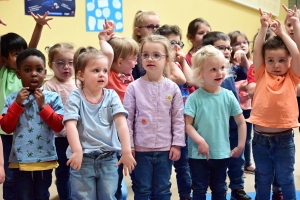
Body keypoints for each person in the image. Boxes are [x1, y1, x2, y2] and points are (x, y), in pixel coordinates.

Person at [63, 46, 136, 200]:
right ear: (81, 75)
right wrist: (77, 151)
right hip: (83, 158)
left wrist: (127, 151)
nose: (102, 74)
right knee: (82, 197)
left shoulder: (111, 96)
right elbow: (70, 125)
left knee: (108, 196)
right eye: (96, 71)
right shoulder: (75, 97)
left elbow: (122, 124)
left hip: (108, 158)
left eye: (104, 70)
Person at [123, 34, 185, 199]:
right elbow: (127, 120)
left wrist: (177, 144)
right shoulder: (133, 87)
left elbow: (178, 118)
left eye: (156, 55)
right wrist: (129, 146)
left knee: (163, 189)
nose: (150, 59)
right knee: (142, 189)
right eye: (145, 55)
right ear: (140, 58)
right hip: (140, 149)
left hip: (165, 149)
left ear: (167, 60)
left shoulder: (172, 88)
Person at [247, 6, 300, 199]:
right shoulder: (261, 74)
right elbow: (258, 51)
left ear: (289, 61)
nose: (276, 65)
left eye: (281, 60)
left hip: (284, 140)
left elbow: (297, 52)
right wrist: (263, 28)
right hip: (260, 139)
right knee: (262, 178)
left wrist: (284, 31)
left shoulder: (292, 77)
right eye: (271, 60)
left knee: (286, 178)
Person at [0, 12, 52, 200]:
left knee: (26, 177)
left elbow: (31, 50)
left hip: (25, 132)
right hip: (6, 133)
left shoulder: (25, 72)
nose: (22, 56)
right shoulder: (4, 72)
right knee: (9, 176)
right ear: (4, 58)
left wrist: (38, 27)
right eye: (16, 54)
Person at [1, 48, 64, 200]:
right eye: (28, 70)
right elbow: (6, 127)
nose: (34, 74)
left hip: (45, 159)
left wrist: (43, 106)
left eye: (39, 69)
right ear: (18, 74)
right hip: (20, 161)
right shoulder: (12, 99)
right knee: (23, 196)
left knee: (42, 195)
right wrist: (17, 104)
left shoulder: (53, 97)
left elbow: (59, 126)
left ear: (45, 72)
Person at [185, 44, 246, 199]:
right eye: (213, 69)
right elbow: (187, 125)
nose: (219, 73)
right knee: (199, 188)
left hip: (221, 153)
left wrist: (241, 145)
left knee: (219, 188)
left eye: (222, 68)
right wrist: (200, 141)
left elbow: (241, 122)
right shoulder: (194, 98)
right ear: (200, 74)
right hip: (198, 155)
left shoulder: (228, 95)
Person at [202, 32, 251, 200]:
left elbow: (248, 70)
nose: (227, 51)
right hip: (216, 123)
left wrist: (243, 58)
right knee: (218, 157)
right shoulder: (208, 73)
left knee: (238, 157)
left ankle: (238, 187)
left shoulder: (231, 69)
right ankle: (218, 186)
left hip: (234, 120)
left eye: (228, 47)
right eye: (220, 48)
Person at [100, 20, 139, 200]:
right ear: (120, 61)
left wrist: (114, 36)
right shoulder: (108, 74)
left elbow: (118, 50)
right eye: (134, 58)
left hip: (129, 128)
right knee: (114, 169)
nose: (136, 62)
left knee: (132, 167)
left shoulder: (128, 73)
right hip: (112, 130)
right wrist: (103, 39)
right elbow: (109, 52)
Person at [154, 24, 192, 200]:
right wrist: (169, 60)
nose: (177, 48)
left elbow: (190, 80)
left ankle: (186, 195)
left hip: (181, 124)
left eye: (179, 43)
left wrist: (182, 61)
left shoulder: (178, 63)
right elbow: (181, 79)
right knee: (162, 167)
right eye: (172, 44)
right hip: (162, 126)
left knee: (183, 165)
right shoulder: (158, 66)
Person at [247, 28, 284, 200]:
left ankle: (278, 190)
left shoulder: (284, 70)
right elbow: (251, 88)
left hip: (281, 128)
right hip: (262, 126)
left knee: (281, 166)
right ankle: (262, 193)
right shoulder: (258, 69)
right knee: (263, 169)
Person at [43, 43, 76, 200]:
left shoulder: (79, 84)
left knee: (77, 171)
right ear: (51, 65)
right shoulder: (49, 87)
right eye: (60, 63)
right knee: (63, 172)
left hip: (77, 137)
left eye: (70, 62)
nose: (66, 67)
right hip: (59, 138)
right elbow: (49, 114)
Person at [131, 10, 186, 85]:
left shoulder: (162, 52)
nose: (155, 30)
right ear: (138, 31)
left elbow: (187, 80)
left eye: (157, 26)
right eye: (150, 27)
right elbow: (180, 79)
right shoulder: (134, 53)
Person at [228, 30, 255, 174]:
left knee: (247, 137)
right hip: (235, 108)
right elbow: (231, 86)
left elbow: (249, 72)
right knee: (234, 137)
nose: (242, 45)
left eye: (244, 42)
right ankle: (236, 164)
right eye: (237, 43)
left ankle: (247, 162)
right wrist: (241, 87)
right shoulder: (229, 66)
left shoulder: (250, 64)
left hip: (248, 108)